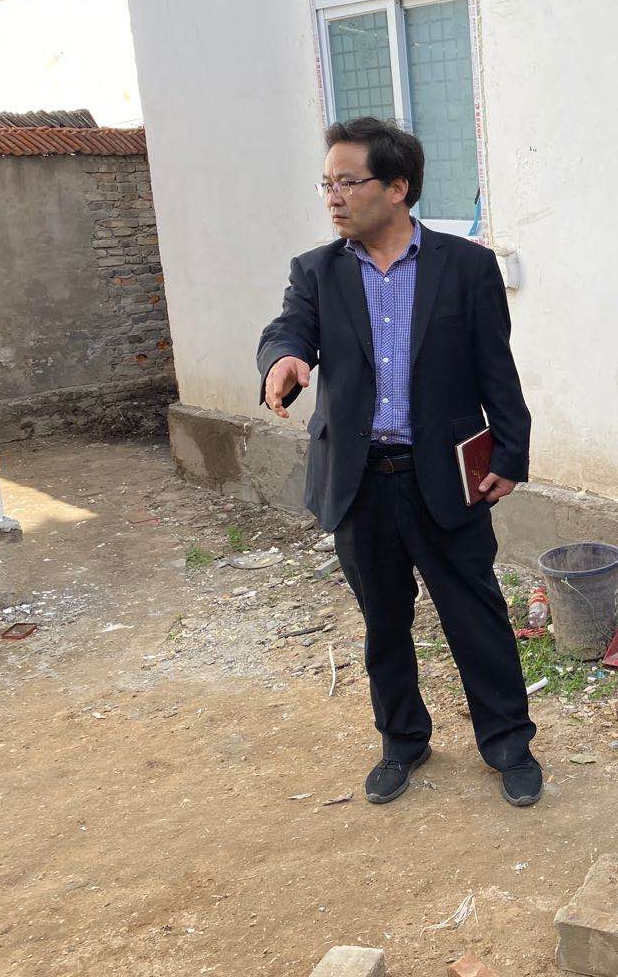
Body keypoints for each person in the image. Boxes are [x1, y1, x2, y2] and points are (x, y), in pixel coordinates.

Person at [257, 117, 541, 807]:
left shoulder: (465, 267)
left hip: (442, 475)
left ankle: (508, 742)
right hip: (359, 482)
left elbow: (495, 367)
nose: (334, 197)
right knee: (384, 624)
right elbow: (288, 330)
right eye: (326, 183)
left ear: (396, 187)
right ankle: (403, 741)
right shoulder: (316, 272)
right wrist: (283, 360)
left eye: (348, 182)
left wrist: (511, 451)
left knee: (475, 616)